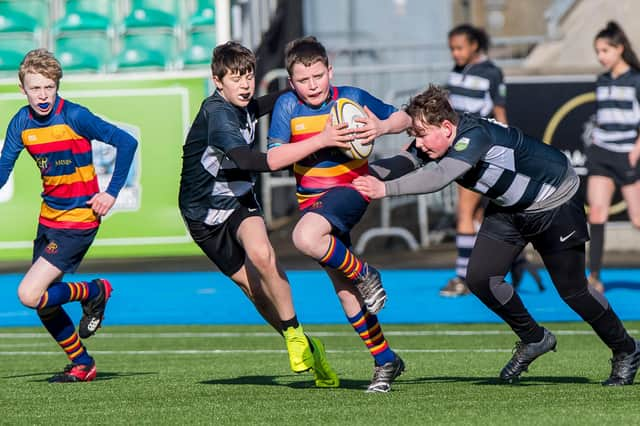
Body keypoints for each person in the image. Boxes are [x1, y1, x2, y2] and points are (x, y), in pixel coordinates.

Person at [354, 84, 640, 386]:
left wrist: (385, 190)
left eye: (422, 135)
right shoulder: (437, 137)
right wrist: (350, 176)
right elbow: (402, 163)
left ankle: (627, 349)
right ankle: (534, 338)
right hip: (509, 208)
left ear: (447, 128)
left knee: (574, 291)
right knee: (479, 278)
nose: (419, 144)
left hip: (554, 201)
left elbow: (439, 176)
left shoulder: (475, 136)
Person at [178, 41, 346, 388]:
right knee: (254, 290)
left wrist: (304, 84)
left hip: (239, 200)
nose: (244, 84)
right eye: (235, 78)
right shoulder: (219, 113)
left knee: (262, 255)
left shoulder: (246, 106)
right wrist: (318, 140)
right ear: (217, 81)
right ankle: (305, 344)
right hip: (201, 215)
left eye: (249, 76)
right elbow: (250, 160)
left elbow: (280, 99)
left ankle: (295, 335)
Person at [267, 36, 410, 392]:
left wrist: (381, 127)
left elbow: (403, 117)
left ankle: (367, 272)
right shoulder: (286, 107)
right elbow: (275, 159)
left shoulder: (352, 98)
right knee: (345, 291)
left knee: (303, 237)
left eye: (318, 76)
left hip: (350, 190)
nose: (312, 85)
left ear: (330, 71)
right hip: (312, 202)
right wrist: (323, 139)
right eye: (304, 79)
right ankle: (385, 359)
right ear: (291, 82)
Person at [0, 49, 138, 382]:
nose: (43, 95)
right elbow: (3, 168)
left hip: (79, 219)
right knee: (45, 304)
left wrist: (111, 192)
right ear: (23, 89)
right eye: (35, 88)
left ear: (57, 85)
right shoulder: (22, 122)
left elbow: (127, 142)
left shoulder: (75, 116)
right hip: (48, 218)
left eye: (49, 87)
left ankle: (94, 291)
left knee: (29, 294)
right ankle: (83, 363)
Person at [442, 24, 542, 297]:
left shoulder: (492, 73)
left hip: (478, 151)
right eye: (452, 48)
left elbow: (500, 113)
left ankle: (462, 278)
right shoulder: (457, 71)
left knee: (464, 214)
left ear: (474, 45)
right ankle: (517, 261)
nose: (455, 53)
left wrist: (507, 150)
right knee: (473, 215)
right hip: (458, 149)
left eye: (459, 47)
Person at [586, 21, 640, 294]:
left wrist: (635, 151)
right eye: (598, 51)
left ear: (620, 49)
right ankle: (594, 277)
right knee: (597, 214)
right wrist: (596, 140)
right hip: (601, 154)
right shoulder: (601, 80)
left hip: (627, 156)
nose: (600, 56)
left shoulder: (636, 80)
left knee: (638, 219)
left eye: (605, 50)